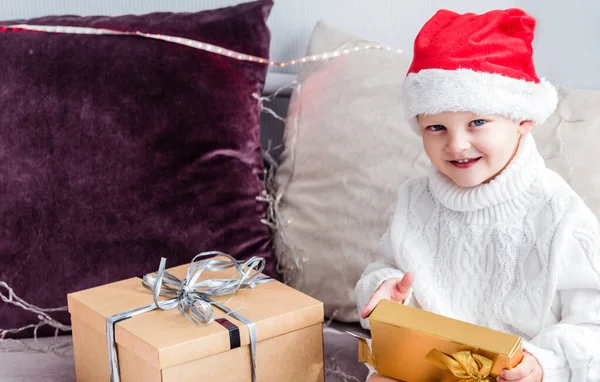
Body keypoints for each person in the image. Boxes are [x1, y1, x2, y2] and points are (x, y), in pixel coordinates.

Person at [355, 8, 600, 382]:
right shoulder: (414, 201)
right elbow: (386, 268)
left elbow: (593, 327)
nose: (456, 144)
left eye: (478, 122)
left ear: (522, 120)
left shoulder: (561, 215)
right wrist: (385, 291)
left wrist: (543, 364)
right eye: (436, 127)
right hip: (424, 371)